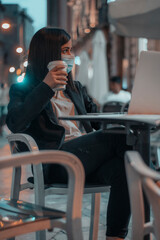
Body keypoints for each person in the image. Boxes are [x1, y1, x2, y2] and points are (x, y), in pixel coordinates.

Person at [6, 27, 132, 240]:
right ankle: (153, 183)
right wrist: (46, 87)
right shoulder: (24, 89)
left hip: (87, 160)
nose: (71, 56)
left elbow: (98, 120)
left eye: (71, 50)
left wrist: (128, 113)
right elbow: (15, 122)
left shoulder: (76, 88)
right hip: (56, 163)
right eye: (66, 50)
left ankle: (115, 237)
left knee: (124, 168)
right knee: (121, 139)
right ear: (49, 55)